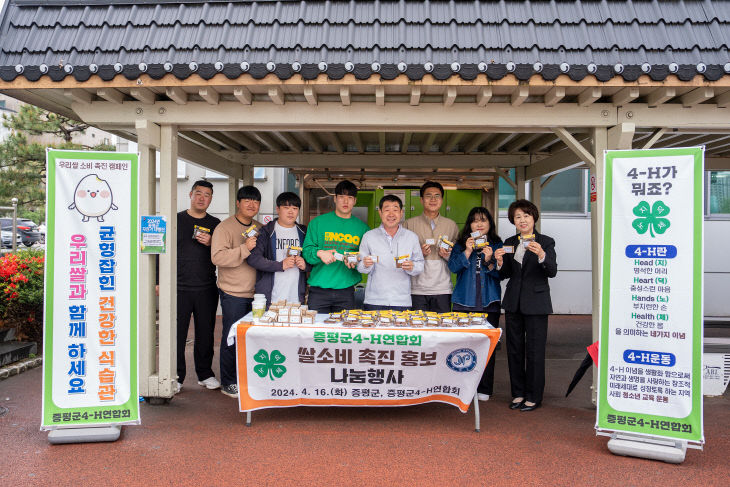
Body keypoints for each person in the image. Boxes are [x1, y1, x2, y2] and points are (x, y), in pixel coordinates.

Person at [495, 199, 558, 412]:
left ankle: (533, 396)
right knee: (514, 350)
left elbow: (552, 271)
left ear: (534, 218)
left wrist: (541, 254)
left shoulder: (546, 241)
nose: (522, 220)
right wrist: (500, 262)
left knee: (535, 350)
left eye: (526, 216)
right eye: (517, 217)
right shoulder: (510, 241)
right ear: (513, 220)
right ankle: (519, 393)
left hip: (537, 303)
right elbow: (504, 275)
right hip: (514, 302)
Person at [211, 185, 262, 398]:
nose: (251, 205)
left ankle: (248, 379)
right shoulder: (224, 228)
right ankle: (229, 382)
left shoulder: (260, 227)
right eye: (247, 200)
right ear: (238, 203)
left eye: (255, 201)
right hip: (233, 293)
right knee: (231, 338)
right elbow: (218, 258)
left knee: (254, 338)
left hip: (258, 295)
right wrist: (244, 248)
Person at [448, 207, 503, 402]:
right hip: (464, 302)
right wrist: (468, 250)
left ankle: (485, 388)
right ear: (469, 225)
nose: (479, 224)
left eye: (483, 220)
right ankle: (462, 387)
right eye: (474, 221)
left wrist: (489, 261)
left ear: (490, 224)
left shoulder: (497, 244)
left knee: (488, 347)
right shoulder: (461, 244)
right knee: (462, 347)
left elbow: (501, 274)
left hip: (489, 303)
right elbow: (453, 267)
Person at [174, 180, 221, 393]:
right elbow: (160, 250)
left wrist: (213, 242)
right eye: (199, 193)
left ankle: (205, 373)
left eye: (207, 195)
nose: (202, 198)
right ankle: (176, 375)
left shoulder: (216, 223)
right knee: (176, 333)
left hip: (206, 287)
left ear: (211, 199)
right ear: (190, 194)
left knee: (206, 332)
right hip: (178, 286)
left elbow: (223, 253)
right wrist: (158, 281)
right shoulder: (177, 220)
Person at [302, 180, 370, 313]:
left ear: (355, 201)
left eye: (350, 198)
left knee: (343, 331)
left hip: (346, 290)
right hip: (318, 290)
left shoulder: (363, 229)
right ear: (335, 198)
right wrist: (319, 253)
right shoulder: (317, 223)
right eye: (342, 197)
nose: (346, 201)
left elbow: (366, 259)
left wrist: (356, 260)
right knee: (316, 332)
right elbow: (307, 251)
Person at [357, 194, 424, 310]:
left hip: (402, 301)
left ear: (401, 213)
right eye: (387, 210)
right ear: (380, 212)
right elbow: (360, 266)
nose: (391, 214)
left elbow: (420, 265)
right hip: (374, 300)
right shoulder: (369, 236)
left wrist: (412, 267)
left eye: (395, 210)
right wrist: (365, 264)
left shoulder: (411, 237)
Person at [404, 181, 459, 313]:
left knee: (441, 328)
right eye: (428, 196)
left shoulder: (451, 225)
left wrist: (447, 255)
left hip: (443, 288)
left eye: (437, 196)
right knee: (418, 328)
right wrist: (419, 254)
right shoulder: (408, 224)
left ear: (442, 200)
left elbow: (457, 259)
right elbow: (402, 257)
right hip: (416, 288)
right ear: (422, 200)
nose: (433, 199)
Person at [248, 192, 311, 305]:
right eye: (286, 208)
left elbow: (313, 259)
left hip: (296, 298)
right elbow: (253, 259)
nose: (291, 212)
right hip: (271, 297)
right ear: (278, 209)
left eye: (295, 208)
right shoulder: (266, 231)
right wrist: (280, 265)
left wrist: (305, 265)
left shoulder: (304, 232)